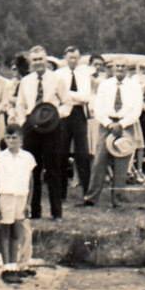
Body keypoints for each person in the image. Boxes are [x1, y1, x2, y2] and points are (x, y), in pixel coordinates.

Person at [14, 46, 70, 220]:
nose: (38, 63)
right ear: (31, 62)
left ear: (46, 60)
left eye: (41, 59)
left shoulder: (57, 80)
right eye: (35, 60)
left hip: (52, 127)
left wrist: (55, 115)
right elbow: (20, 105)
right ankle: (35, 211)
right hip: (32, 127)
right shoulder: (26, 81)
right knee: (33, 169)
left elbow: (67, 103)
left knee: (53, 169)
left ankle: (56, 212)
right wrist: (25, 122)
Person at [81, 60, 143, 207]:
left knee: (121, 163)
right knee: (99, 162)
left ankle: (118, 200)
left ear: (127, 69)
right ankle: (91, 198)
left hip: (126, 125)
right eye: (118, 66)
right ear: (113, 69)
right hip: (106, 125)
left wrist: (122, 124)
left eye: (123, 66)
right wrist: (108, 123)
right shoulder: (105, 85)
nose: (120, 68)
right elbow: (98, 107)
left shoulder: (134, 86)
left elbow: (137, 109)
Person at [0, 124, 35, 272]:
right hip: (6, 196)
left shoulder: (27, 157)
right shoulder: (0, 157)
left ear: (21, 139)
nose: (11, 140)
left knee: (17, 232)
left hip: (21, 196)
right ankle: (6, 266)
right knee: (5, 230)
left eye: (14, 137)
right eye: (8, 137)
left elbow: (30, 181)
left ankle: (14, 264)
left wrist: (28, 203)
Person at [54, 46, 92, 199]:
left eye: (76, 57)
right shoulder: (58, 75)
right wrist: (74, 97)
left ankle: (87, 192)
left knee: (82, 153)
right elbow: (57, 96)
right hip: (63, 114)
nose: (73, 60)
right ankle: (60, 192)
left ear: (79, 58)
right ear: (65, 58)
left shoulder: (84, 74)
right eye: (70, 57)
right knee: (62, 152)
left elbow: (86, 97)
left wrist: (68, 94)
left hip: (78, 114)